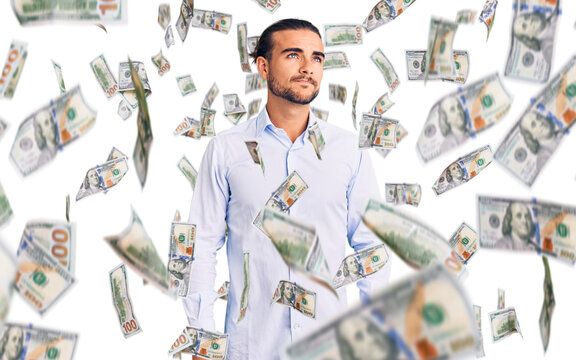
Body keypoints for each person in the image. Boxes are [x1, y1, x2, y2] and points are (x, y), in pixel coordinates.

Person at [183, 18, 391, 360]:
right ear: (263, 66)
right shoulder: (226, 150)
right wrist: (203, 343)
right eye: (294, 55)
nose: (308, 67)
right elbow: (200, 247)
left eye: (317, 58)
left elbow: (372, 248)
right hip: (252, 348)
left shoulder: (349, 150)